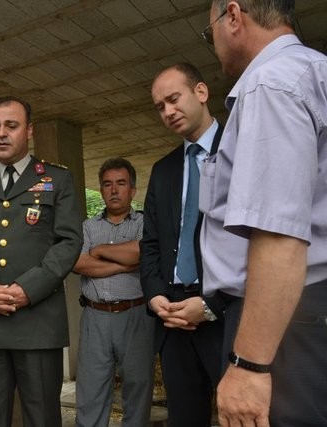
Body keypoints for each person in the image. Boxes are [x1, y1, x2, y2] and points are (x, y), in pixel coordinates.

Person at [200, 1, 327, 425]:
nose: (213, 42)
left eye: (209, 31)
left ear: (233, 16)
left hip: (286, 325)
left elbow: (280, 234)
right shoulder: (315, 71)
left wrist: (250, 366)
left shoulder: (270, 85)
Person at [0, 96, 83, 427]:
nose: (2, 134)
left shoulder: (56, 179)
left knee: (42, 418)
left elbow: (69, 242)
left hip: (37, 322)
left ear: (29, 131)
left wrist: (27, 289)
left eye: (11, 125)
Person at [140, 62, 226, 426]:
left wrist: (210, 305)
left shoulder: (242, 150)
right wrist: (156, 295)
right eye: (160, 106)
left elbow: (260, 241)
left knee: (243, 416)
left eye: (174, 99)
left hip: (227, 315)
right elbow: (151, 244)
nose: (168, 111)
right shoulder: (164, 170)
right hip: (173, 317)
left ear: (201, 93)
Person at [74, 158, 154, 427]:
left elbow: (142, 252)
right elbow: (78, 263)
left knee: (137, 390)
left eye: (121, 183)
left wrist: (99, 251)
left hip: (136, 315)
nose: (114, 190)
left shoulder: (145, 223)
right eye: (107, 184)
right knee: (90, 392)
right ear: (101, 190)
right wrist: (126, 264)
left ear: (132, 190)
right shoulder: (88, 227)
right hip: (95, 316)